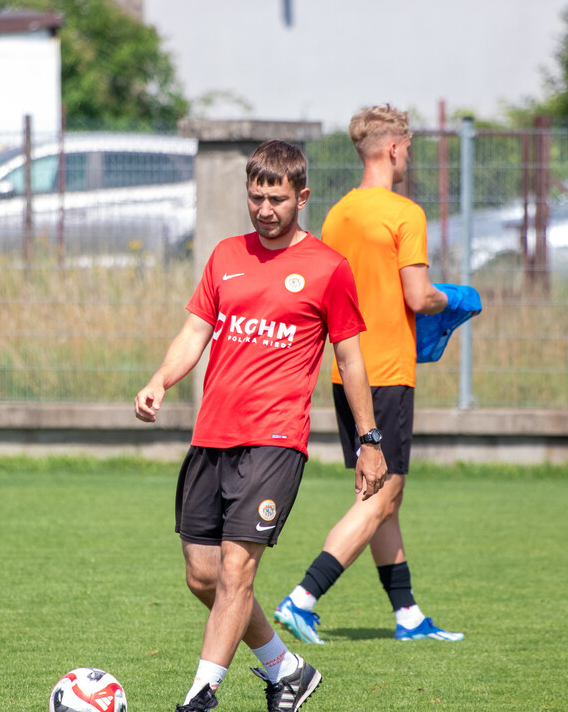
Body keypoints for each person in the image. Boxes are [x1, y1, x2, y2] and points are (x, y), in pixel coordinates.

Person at [135, 140, 388, 712]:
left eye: (276, 198)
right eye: (256, 197)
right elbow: (195, 332)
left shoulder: (328, 268)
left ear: (301, 197)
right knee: (202, 575)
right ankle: (286, 668)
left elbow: (350, 360)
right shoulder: (225, 255)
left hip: (275, 440)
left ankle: (201, 694)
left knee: (235, 568)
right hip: (212, 436)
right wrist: (160, 380)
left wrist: (369, 440)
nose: (265, 209)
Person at [274, 104, 466, 645]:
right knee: (379, 495)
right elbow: (418, 295)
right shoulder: (406, 214)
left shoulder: (337, 214)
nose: (409, 156)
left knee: (385, 496)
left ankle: (407, 616)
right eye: (409, 146)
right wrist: (458, 298)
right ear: (394, 148)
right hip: (387, 371)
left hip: (347, 372)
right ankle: (302, 599)